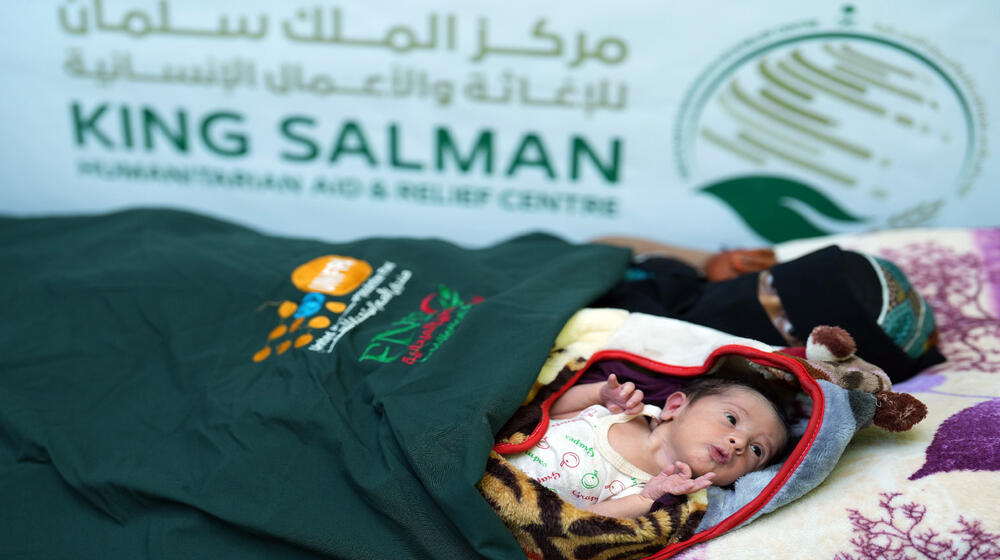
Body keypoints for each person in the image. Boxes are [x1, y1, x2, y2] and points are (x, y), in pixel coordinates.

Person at [589, 236, 944, 383]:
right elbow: (606, 244)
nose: (761, 291)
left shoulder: (676, 368)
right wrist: (708, 263)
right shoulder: (685, 274)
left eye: (785, 320)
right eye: (770, 280)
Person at [504, 374, 790, 519]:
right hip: (488, 459)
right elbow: (547, 410)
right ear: (675, 406)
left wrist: (645, 500)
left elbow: (584, 521)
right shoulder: (619, 413)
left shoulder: (654, 493)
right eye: (731, 418)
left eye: (757, 450)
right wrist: (598, 393)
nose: (739, 442)